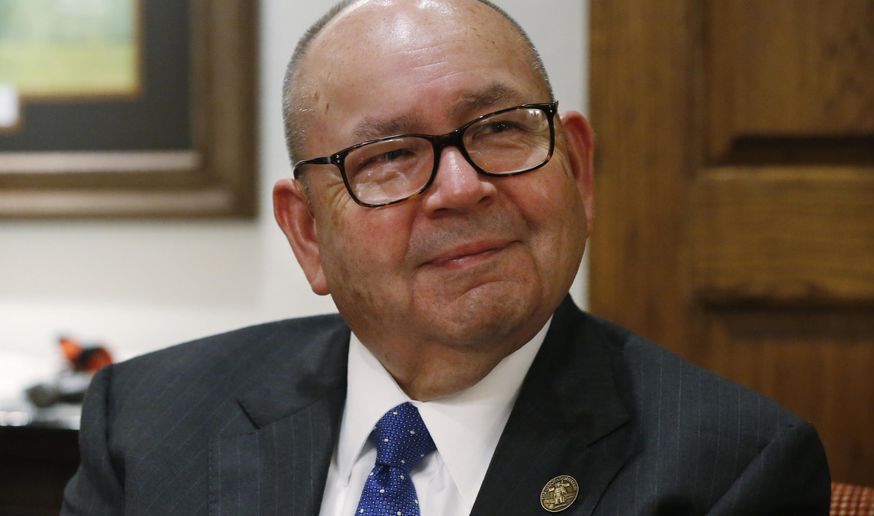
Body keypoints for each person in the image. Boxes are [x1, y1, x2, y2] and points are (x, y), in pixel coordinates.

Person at [62, 0, 831, 514]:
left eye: (500, 129)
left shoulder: (733, 469)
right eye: (388, 157)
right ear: (307, 235)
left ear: (578, 170)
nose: (460, 189)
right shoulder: (148, 421)